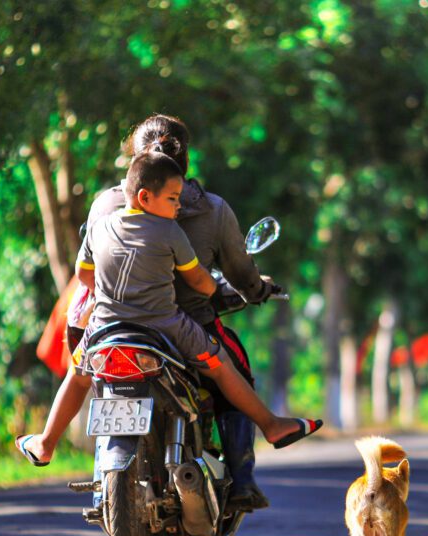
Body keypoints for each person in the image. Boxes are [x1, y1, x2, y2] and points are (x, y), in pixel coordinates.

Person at [16, 152, 321, 480]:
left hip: (104, 328)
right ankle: (272, 425)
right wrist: (206, 289)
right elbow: (201, 283)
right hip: (165, 326)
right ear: (145, 197)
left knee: (77, 376)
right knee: (221, 367)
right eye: (174, 199)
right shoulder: (170, 231)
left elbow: (84, 275)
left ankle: (46, 443)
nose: (179, 207)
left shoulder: (100, 224)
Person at [69, 114, 281, 511]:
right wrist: (256, 289)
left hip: (111, 328)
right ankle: (242, 479)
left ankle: (83, 466)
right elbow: (234, 274)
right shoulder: (212, 210)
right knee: (233, 371)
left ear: (134, 160)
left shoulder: (104, 206)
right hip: (184, 327)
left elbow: (85, 275)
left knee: (86, 377)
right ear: (184, 164)